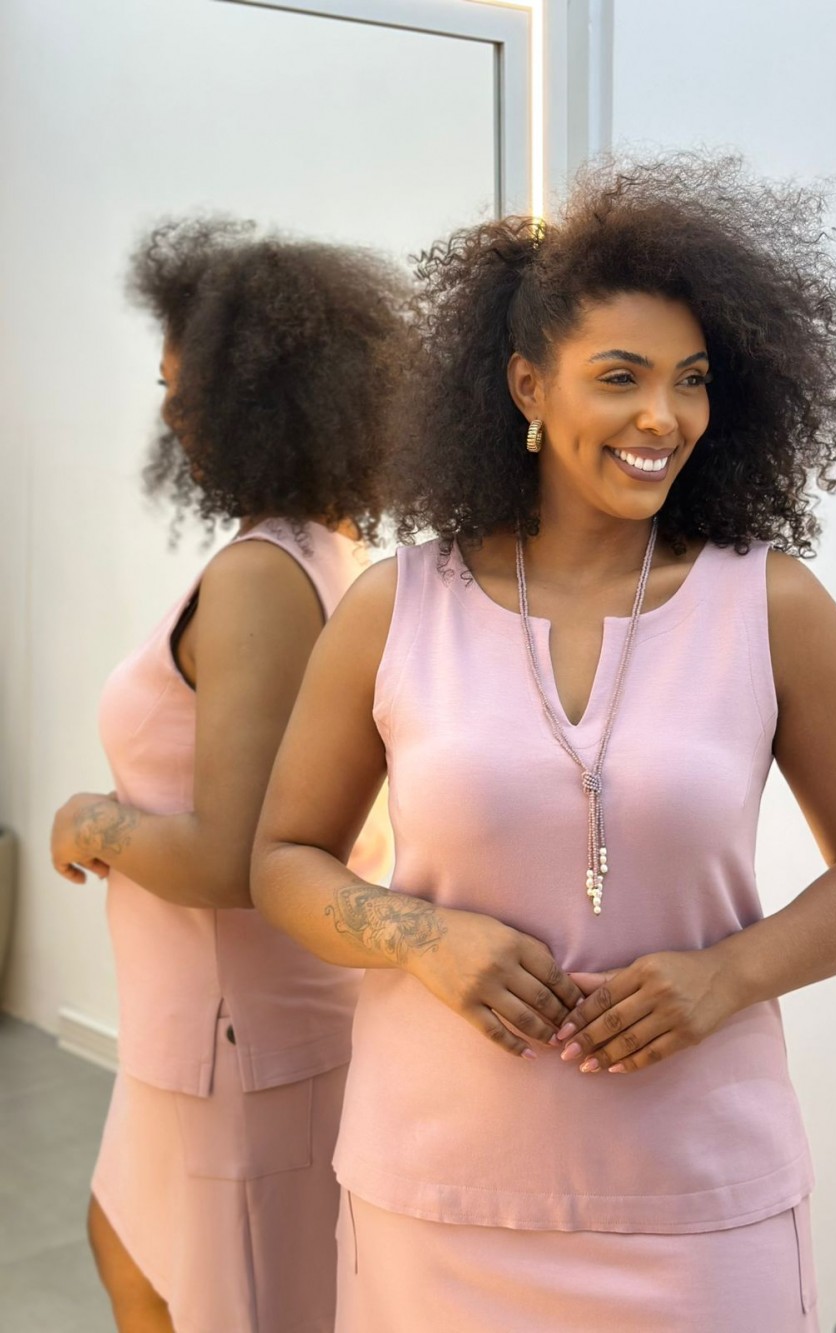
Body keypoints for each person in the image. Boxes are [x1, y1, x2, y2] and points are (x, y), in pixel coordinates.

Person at [251, 156, 836, 1333]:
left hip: (696, 1194)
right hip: (439, 1191)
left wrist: (729, 975)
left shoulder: (771, 607)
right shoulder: (394, 607)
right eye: (621, 377)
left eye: (691, 382)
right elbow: (283, 860)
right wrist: (422, 936)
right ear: (527, 384)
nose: (664, 418)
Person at [50, 218, 402, 1333]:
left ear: (260, 396)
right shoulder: (326, 555)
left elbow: (234, 858)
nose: (171, 414)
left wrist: (92, 821)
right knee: (130, 1253)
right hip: (212, 1033)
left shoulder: (262, 574)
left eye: (185, 387)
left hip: (240, 1044)